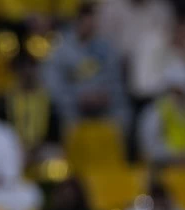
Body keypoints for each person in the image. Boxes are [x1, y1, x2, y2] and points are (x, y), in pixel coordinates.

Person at [44, 3, 129, 132]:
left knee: (123, 114)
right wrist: (77, 98)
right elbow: (53, 86)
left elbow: (116, 82)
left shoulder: (107, 47)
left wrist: (104, 96)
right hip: (72, 108)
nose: (89, 27)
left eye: (92, 23)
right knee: (64, 116)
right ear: (76, 21)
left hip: (104, 106)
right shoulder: (61, 48)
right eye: (85, 22)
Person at [136, 64, 185, 166]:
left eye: (182, 91)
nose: (179, 95)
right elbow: (149, 145)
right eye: (175, 90)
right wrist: (173, 156)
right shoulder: (155, 111)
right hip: (163, 165)